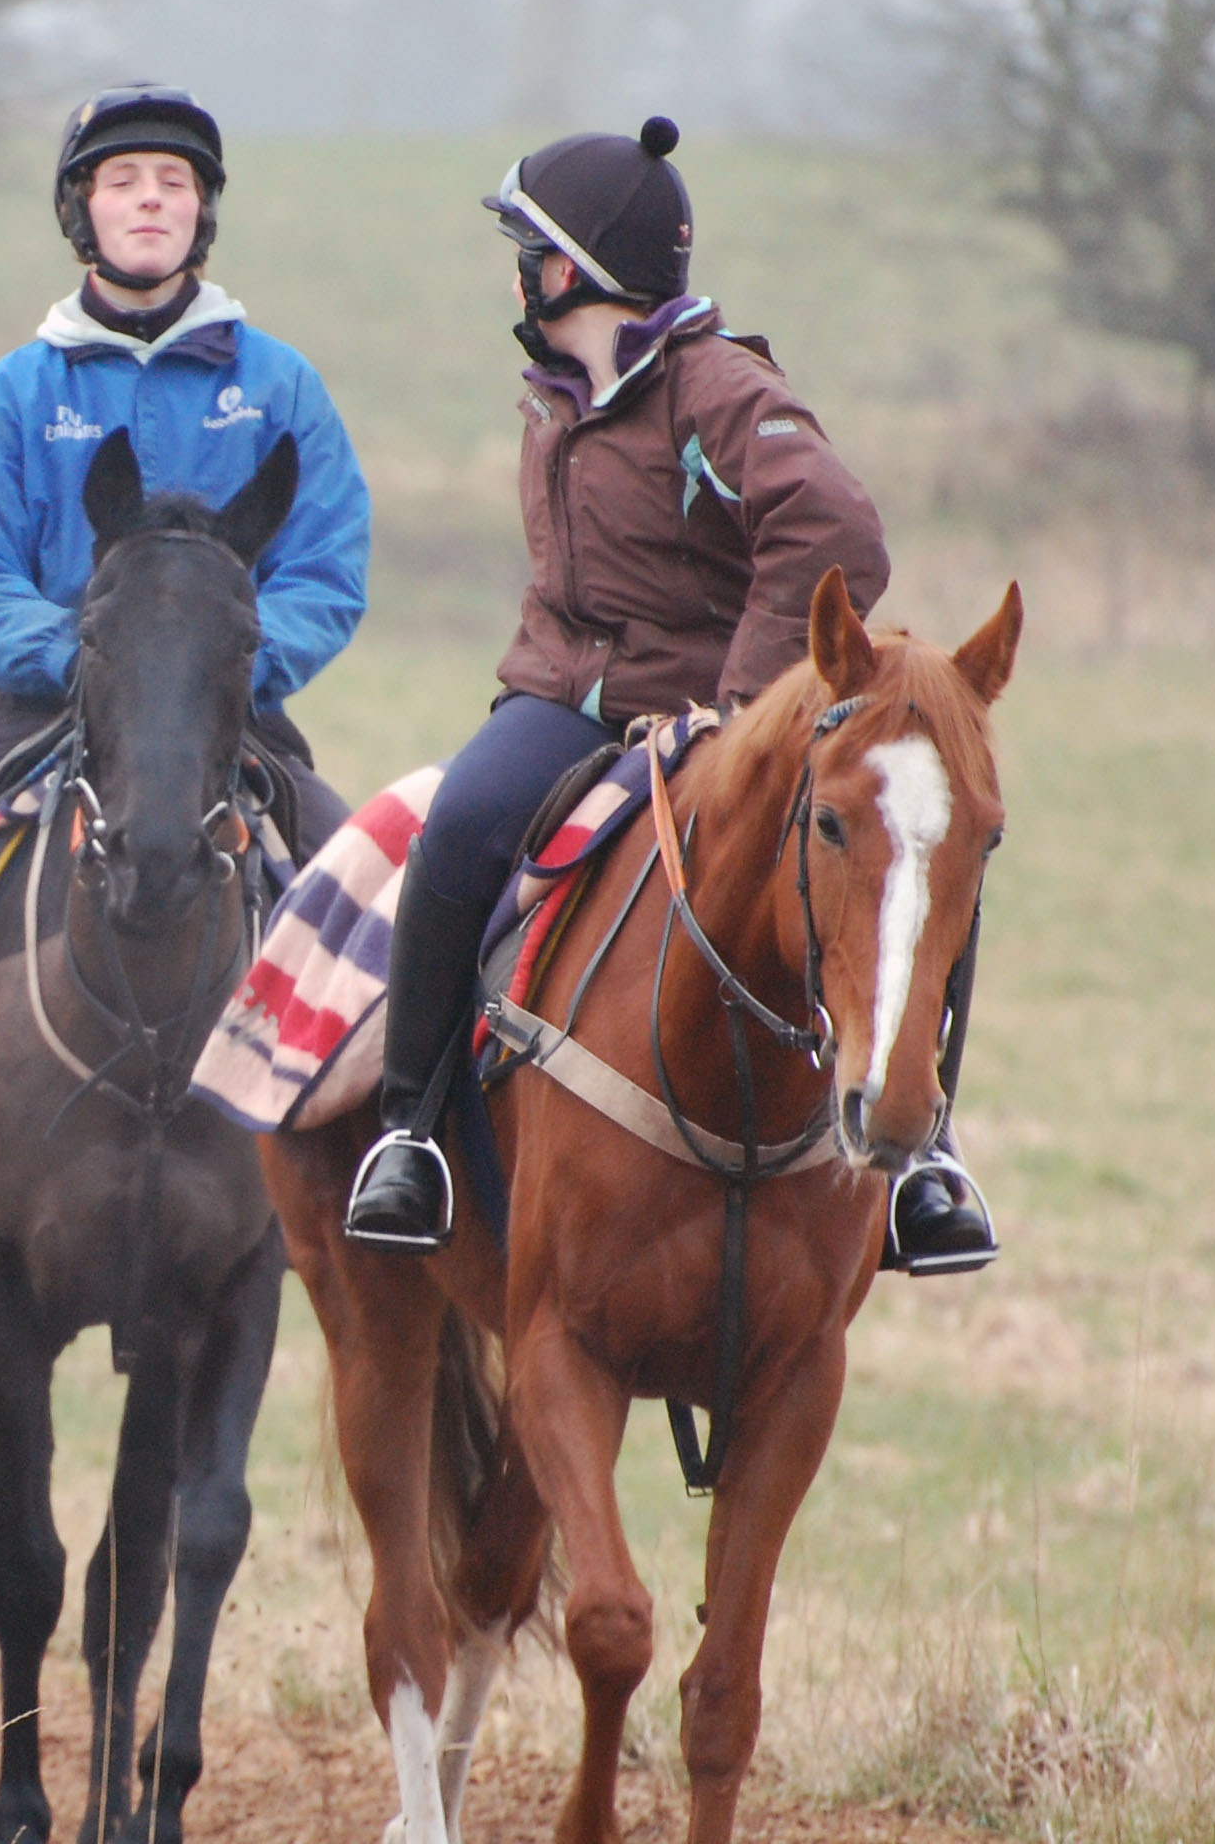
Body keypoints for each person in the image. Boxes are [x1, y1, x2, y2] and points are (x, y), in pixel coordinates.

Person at [340, 116, 998, 1275]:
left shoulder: (718, 388)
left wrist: (739, 701)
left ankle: (923, 1156)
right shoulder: (556, 385)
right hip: (558, 702)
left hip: (716, 721)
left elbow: (835, 529)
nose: (515, 272)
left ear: (571, 266)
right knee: (455, 830)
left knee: (915, 856)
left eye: (525, 248)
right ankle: (409, 1137)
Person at [0, 83, 372, 1260]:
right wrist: (87, 662)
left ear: (203, 212)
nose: (149, 200)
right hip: (48, 706)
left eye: (173, 182)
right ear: (81, 211)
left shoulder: (280, 387)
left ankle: (373, 1152)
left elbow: (325, 565)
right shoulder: (14, 395)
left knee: (359, 879)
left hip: (227, 715)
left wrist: (230, 665)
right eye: (123, 181)